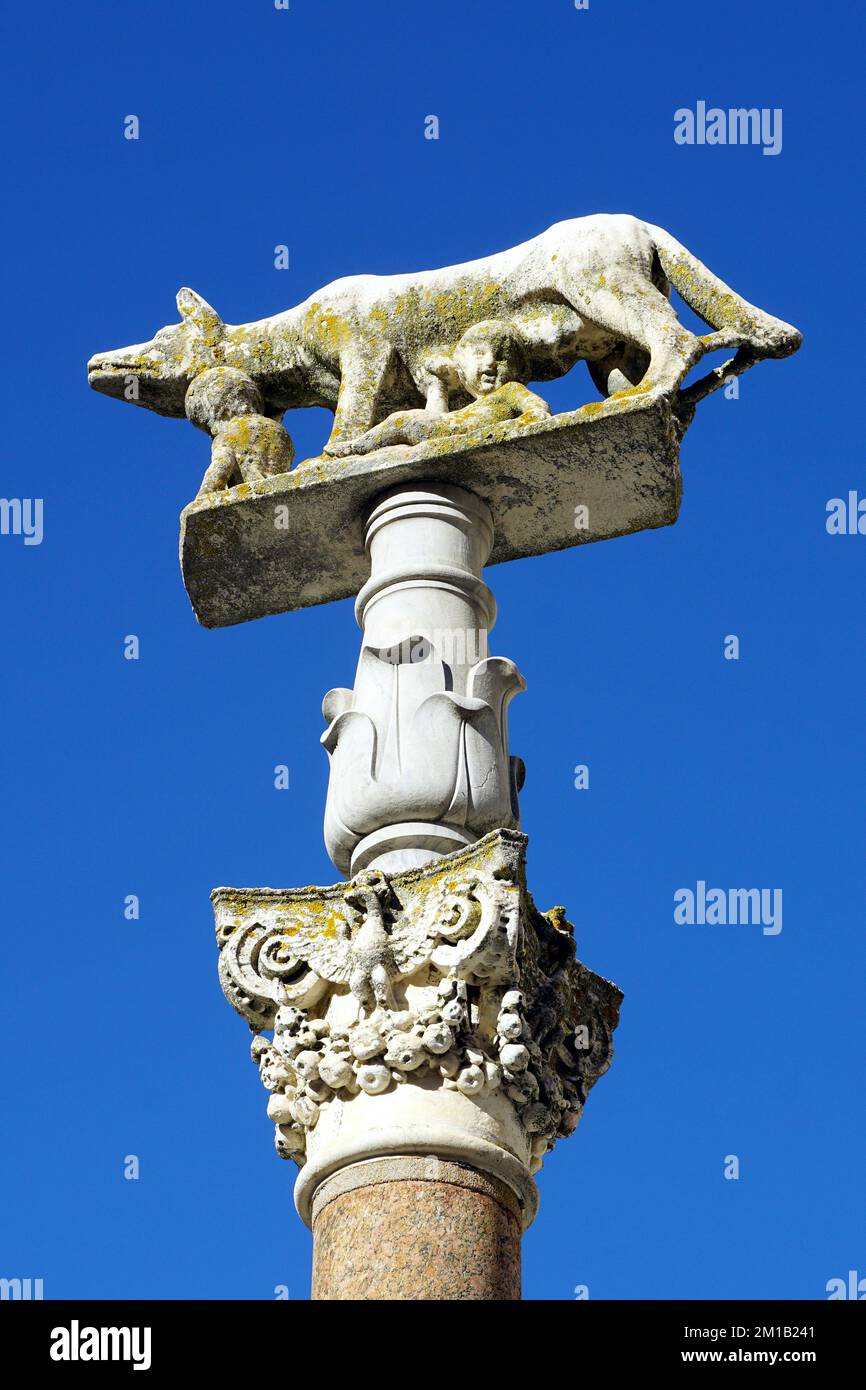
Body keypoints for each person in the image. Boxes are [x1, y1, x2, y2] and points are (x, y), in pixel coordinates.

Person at [329, 319, 551, 457]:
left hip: (451, 431)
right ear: (462, 368)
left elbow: (537, 406)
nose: (491, 362)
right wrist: (439, 384)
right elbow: (436, 418)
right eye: (480, 354)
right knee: (401, 421)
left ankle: (355, 448)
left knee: (400, 421)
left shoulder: (509, 390)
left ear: (516, 370)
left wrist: (527, 419)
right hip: (446, 428)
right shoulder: (470, 406)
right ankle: (358, 447)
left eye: (502, 358)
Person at [184, 367, 294, 496]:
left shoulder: (228, 435)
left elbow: (223, 463)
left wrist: (204, 496)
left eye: (208, 428)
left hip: (251, 494)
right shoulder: (274, 427)